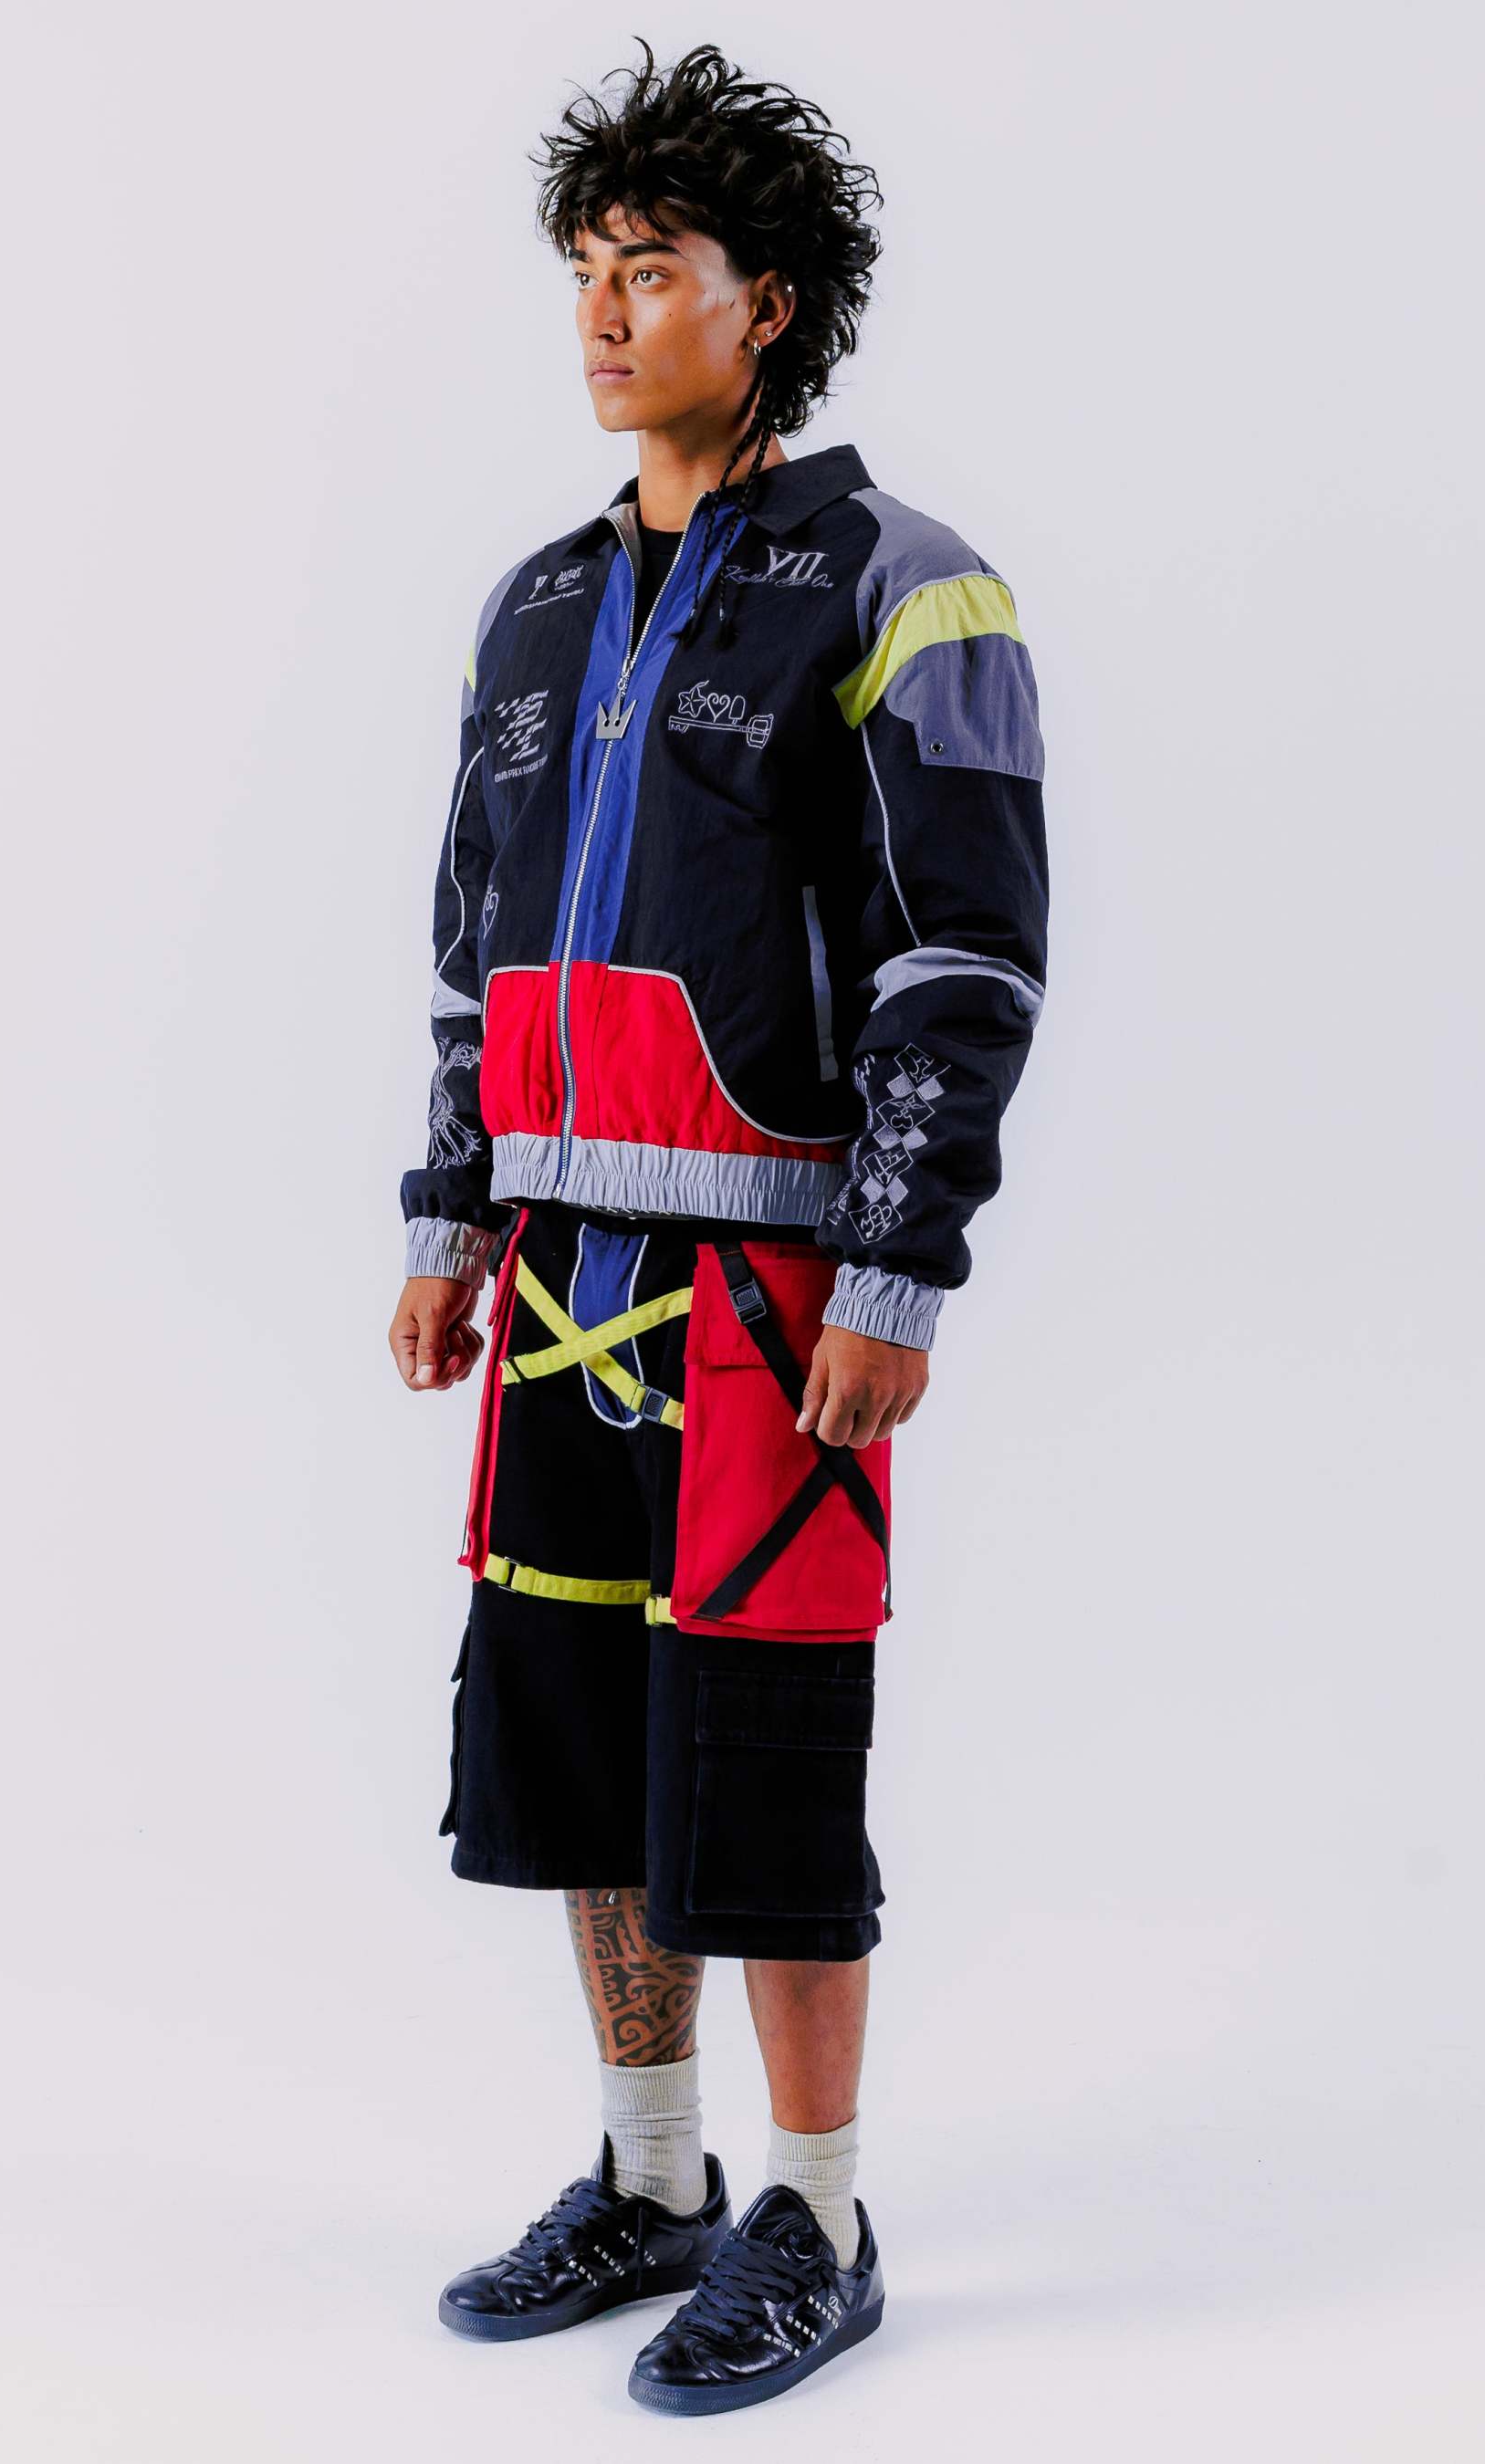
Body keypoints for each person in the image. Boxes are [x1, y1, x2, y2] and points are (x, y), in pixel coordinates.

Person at [387, 38, 1049, 2416]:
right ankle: (653, 2170)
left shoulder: (904, 585)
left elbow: (965, 958)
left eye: (651, 267)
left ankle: (819, 2210)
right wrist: (451, 1212)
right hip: (566, 1270)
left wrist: (898, 1262)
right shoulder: (536, 609)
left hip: (771, 1286)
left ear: (766, 302)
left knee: (764, 1748)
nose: (603, 308)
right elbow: (470, 949)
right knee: (582, 1740)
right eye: (586, 265)